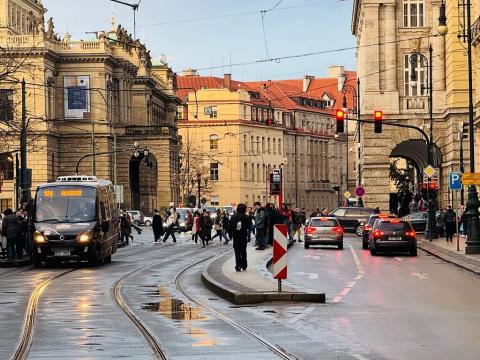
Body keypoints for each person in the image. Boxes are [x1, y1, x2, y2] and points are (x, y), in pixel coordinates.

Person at [228, 203, 251, 271]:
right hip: (243, 236)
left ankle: (238, 265)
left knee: (237, 251)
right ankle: (244, 265)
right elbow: (249, 226)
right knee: (243, 251)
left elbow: (230, 227)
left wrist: (230, 235)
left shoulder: (233, 216)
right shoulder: (246, 217)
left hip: (236, 236)